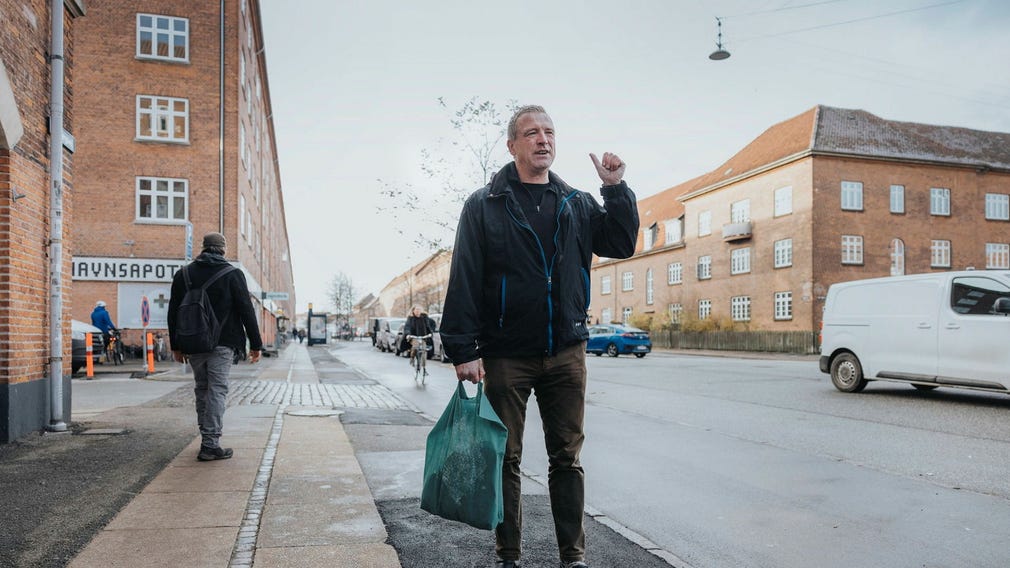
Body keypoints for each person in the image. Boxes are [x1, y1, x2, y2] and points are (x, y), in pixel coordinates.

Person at [440, 105, 639, 568]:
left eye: (549, 132)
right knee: (505, 457)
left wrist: (615, 189)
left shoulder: (577, 202)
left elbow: (622, 243)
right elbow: (464, 277)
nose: (543, 140)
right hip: (507, 354)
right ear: (512, 145)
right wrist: (463, 350)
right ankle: (509, 555)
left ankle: (573, 556)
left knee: (566, 458)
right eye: (531, 133)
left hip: (566, 351)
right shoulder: (484, 205)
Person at [168, 232, 263, 462]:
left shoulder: (184, 274)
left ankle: (207, 436)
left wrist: (176, 345)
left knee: (202, 388)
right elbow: (246, 311)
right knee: (217, 390)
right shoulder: (232, 274)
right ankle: (210, 444)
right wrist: (256, 344)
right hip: (223, 342)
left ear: (203, 247)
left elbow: (173, 311)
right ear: (223, 249)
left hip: (194, 342)